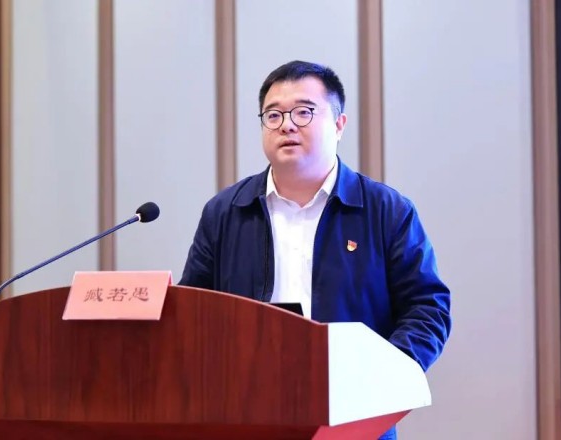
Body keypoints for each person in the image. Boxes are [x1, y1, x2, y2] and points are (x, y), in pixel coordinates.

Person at [179, 60, 451, 440]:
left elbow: (428, 307)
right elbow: (192, 312)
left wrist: (383, 376)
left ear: (339, 124)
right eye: (274, 115)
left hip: (354, 416)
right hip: (244, 413)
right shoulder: (226, 212)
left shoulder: (386, 210)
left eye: (304, 112)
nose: (287, 125)